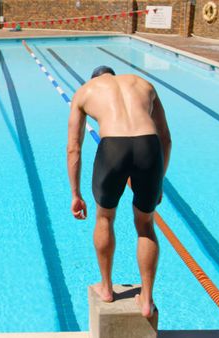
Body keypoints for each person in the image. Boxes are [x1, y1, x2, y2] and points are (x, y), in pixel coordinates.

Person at [66, 66, 171, 318]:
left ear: (95, 78)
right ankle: (146, 300)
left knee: (104, 218)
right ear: (114, 75)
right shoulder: (143, 83)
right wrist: (159, 181)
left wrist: (75, 193)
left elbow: (74, 149)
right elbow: (165, 138)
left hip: (113, 148)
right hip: (149, 146)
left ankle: (106, 288)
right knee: (145, 224)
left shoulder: (85, 92)